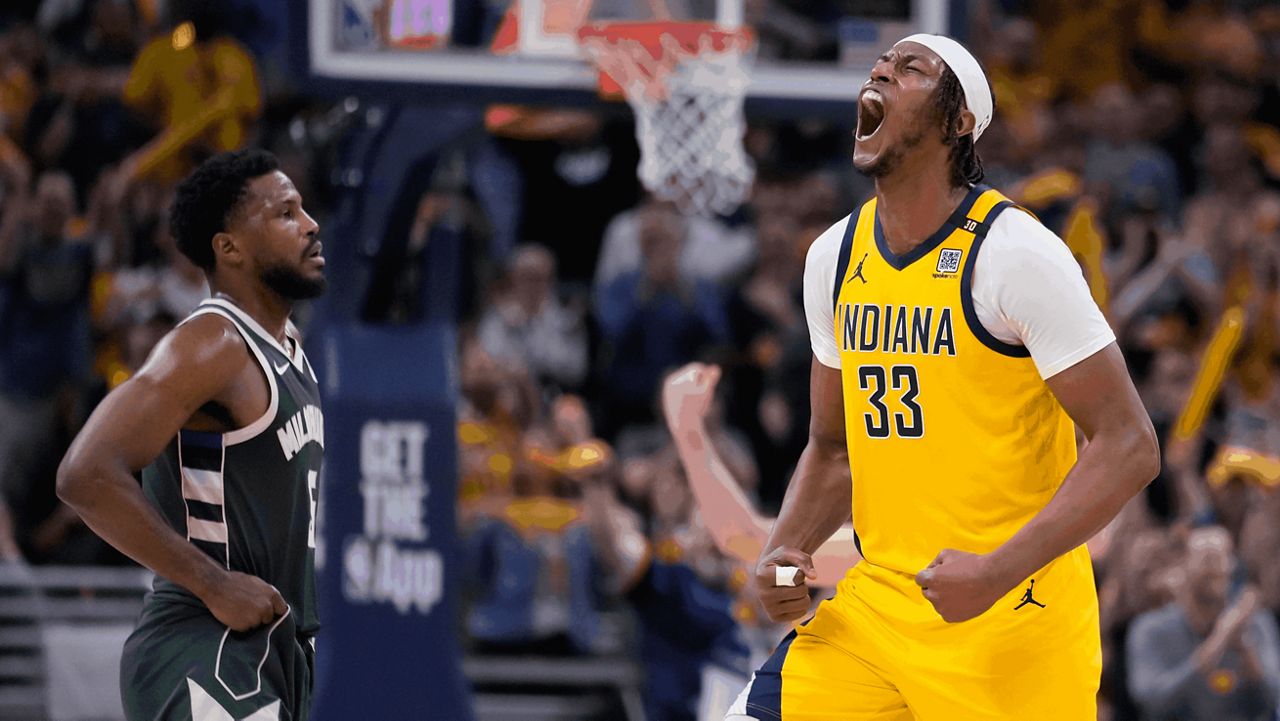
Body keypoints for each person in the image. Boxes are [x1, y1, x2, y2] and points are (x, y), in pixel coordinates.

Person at [727, 34, 1161, 720]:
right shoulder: (834, 257)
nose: (881, 73)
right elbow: (836, 448)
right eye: (878, 67)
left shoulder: (1017, 255)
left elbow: (1130, 443)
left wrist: (994, 571)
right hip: (882, 609)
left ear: (960, 122)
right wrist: (786, 549)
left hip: (1014, 620)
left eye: (910, 68)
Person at [56, 149, 325, 720]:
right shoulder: (213, 345)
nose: (310, 224)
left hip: (269, 651)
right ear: (229, 247)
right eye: (285, 213)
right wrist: (212, 583)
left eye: (304, 209)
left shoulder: (288, 346)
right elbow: (85, 474)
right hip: (205, 648)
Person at [1126, 526, 1280, 720]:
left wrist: (1244, 648)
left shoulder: (1256, 623)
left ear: (1232, 565)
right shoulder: (1150, 628)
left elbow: (1274, 698)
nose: (1215, 567)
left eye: (1222, 558)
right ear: (1184, 565)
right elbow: (1151, 701)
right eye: (1206, 559)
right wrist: (1216, 644)